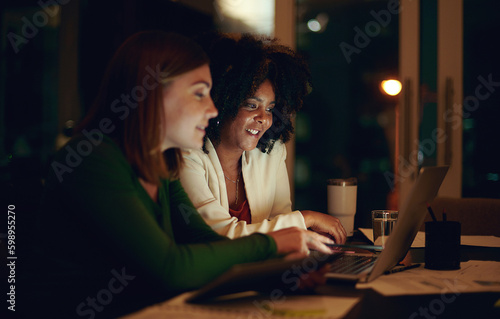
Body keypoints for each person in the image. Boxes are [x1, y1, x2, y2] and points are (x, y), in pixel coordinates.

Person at [20, 31, 335, 318]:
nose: (213, 109)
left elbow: (204, 242)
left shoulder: (162, 165)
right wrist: (275, 244)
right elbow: (171, 266)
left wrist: (279, 275)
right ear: (151, 92)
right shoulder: (92, 158)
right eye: (199, 94)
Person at [179, 32, 347, 243]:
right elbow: (219, 235)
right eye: (251, 105)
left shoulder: (271, 152)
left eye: (270, 108)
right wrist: (306, 219)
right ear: (222, 103)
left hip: (261, 273)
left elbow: (281, 223)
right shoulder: (187, 155)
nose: (264, 119)